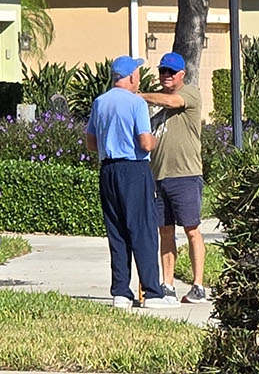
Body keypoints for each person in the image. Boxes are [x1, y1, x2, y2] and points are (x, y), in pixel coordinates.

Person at [83, 56, 177, 310]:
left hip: (108, 170)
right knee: (143, 229)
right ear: (132, 77)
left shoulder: (100, 102)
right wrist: (155, 142)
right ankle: (152, 293)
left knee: (117, 230)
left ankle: (121, 292)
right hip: (134, 169)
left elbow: (91, 143)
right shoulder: (136, 103)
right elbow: (145, 143)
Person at [140, 51, 210, 304]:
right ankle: (167, 283)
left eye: (171, 72)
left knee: (191, 229)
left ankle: (198, 285)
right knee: (165, 230)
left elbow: (173, 102)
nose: (166, 76)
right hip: (159, 176)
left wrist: (139, 96)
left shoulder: (190, 93)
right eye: (162, 71)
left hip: (186, 174)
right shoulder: (155, 105)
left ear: (181, 74)